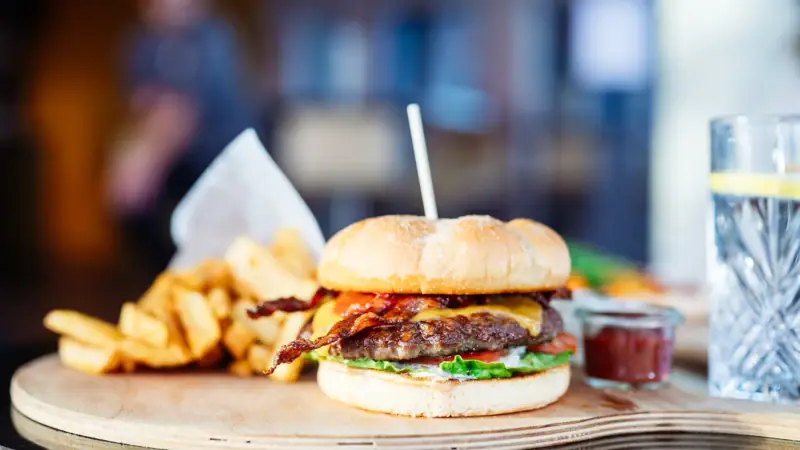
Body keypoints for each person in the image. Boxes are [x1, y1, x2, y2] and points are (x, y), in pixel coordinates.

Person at [107, 0, 253, 274]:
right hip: (172, 172)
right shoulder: (142, 41)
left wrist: (142, 160)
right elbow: (141, 106)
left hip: (218, 165)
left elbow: (185, 112)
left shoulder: (214, 38)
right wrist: (127, 154)